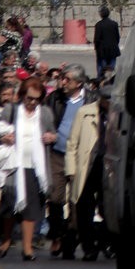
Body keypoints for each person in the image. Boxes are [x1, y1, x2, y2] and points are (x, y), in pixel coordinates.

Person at [0, 76, 55, 261]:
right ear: (22, 96)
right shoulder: (11, 110)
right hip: (14, 165)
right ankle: (6, 238)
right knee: (10, 204)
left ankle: (27, 247)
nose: (33, 102)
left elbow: (53, 133)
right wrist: (4, 138)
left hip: (35, 167)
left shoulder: (44, 113)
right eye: (29, 98)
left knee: (31, 207)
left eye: (37, 99)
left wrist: (51, 137)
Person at [46, 64, 96, 258]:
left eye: (67, 79)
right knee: (55, 198)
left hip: (80, 157)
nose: (62, 82)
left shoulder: (92, 100)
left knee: (79, 202)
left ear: (79, 83)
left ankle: (75, 239)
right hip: (57, 154)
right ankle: (58, 234)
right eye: (62, 78)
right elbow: (45, 120)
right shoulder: (54, 98)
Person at [65, 83, 112, 261]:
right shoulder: (85, 112)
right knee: (84, 210)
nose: (109, 103)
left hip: (108, 167)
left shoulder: (119, 114)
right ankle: (88, 247)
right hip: (87, 166)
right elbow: (72, 143)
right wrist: (71, 169)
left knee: (107, 208)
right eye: (106, 100)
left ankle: (106, 243)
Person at [93, 6, 120, 77]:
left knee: (101, 68)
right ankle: (110, 79)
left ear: (101, 14)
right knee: (111, 68)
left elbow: (97, 39)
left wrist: (96, 48)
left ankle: (100, 80)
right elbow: (117, 37)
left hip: (102, 51)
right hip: (113, 49)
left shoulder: (99, 25)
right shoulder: (114, 24)